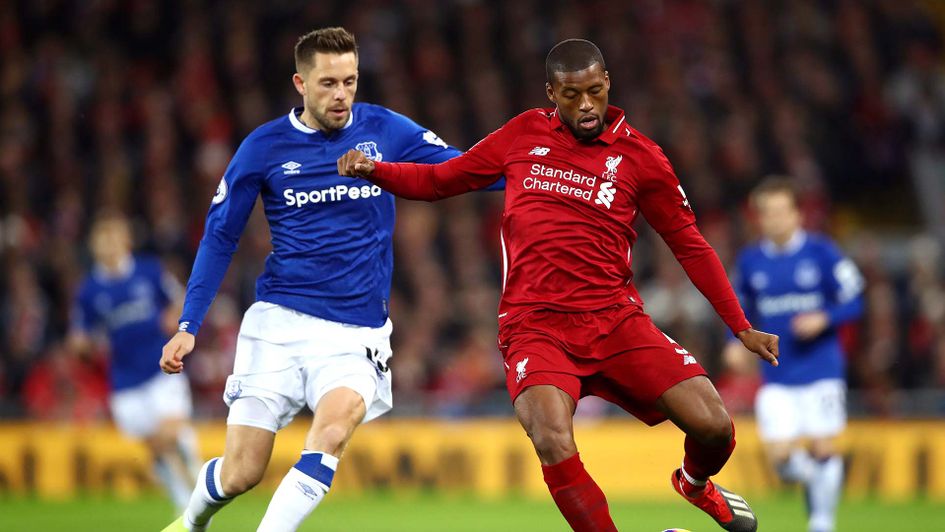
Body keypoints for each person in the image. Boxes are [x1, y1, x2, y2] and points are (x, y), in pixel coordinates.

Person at [338, 38, 779, 532]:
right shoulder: (522, 134)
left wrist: (740, 327)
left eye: (594, 90)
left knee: (715, 427)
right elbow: (442, 179)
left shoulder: (642, 158)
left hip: (615, 320)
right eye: (572, 95)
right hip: (535, 327)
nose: (586, 105)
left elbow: (690, 245)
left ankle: (695, 485)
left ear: (607, 82)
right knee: (550, 435)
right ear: (552, 92)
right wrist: (378, 171)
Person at [159, 27, 500, 532]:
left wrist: (540, 168)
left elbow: (462, 170)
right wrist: (189, 323)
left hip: (354, 333)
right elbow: (219, 237)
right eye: (328, 84)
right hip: (278, 325)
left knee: (332, 435)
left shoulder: (384, 129)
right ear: (300, 83)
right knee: (241, 473)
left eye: (350, 81)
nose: (341, 94)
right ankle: (189, 523)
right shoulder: (264, 147)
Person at [723, 177, 864, 532]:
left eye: (782, 211)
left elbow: (856, 298)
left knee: (823, 446)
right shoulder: (751, 260)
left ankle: (822, 522)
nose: (775, 219)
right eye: (767, 213)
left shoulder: (822, 252)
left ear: (797, 214)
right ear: (759, 218)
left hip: (822, 368)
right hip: (778, 372)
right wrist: (733, 340)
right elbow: (738, 308)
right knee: (781, 459)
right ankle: (819, 485)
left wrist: (825, 317)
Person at [69, 211, 199, 512]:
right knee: (156, 445)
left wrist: (175, 317)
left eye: (113, 237)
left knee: (171, 431)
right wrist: (81, 344)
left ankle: (193, 470)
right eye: (102, 240)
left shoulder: (149, 271)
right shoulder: (90, 290)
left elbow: (181, 298)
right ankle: (183, 501)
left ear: (126, 241)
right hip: (124, 380)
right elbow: (80, 335)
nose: (108, 245)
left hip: (162, 368)